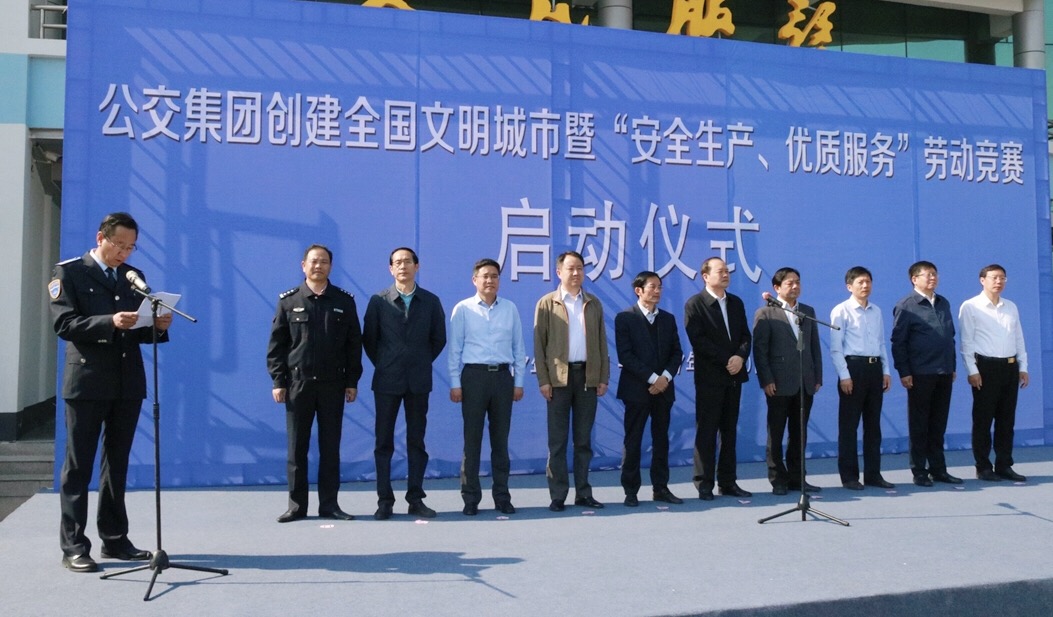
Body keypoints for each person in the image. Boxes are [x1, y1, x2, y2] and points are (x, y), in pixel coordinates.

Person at [49, 212, 172, 573]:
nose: (124, 253)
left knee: (116, 465)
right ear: (100, 237)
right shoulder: (69, 273)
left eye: (131, 247)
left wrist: (157, 326)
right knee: (78, 467)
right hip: (87, 383)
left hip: (126, 383)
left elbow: (138, 331)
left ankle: (115, 539)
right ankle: (74, 546)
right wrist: (110, 322)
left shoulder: (133, 278)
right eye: (119, 245)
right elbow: (64, 323)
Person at [267, 244, 363, 523]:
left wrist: (352, 381)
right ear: (303, 265)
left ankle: (330, 504)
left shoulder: (344, 301)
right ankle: (297, 506)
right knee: (297, 448)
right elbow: (277, 345)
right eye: (313, 261)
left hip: (333, 384)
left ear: (330, 266)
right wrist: (278, 380)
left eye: (323, 262)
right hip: (298, 384)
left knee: (330, 448)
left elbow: (353, 345)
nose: (318, 266)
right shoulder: (289, 301)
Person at [363, 247, 447, 519]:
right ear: (391, 269)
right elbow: (370, 340)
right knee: (383, 443)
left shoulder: (430, 301)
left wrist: (418, 361)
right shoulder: (378, 301)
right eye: (397, 262)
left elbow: (438, 339)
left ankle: (415, 499)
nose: (403, 266)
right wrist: (388, 362)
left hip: (418, 381)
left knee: (416, 442)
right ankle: (384, 501)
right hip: (386, 380)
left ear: (416, 266)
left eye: (407, 262)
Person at [447, 258, 526, 516]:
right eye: (485, 276)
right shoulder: (463, 309)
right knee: (472, 441)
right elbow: (454, 350)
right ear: (475, 280)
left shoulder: (510, 309)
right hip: (474, 378)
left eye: (494, 276)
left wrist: (518, 382)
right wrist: (455, 384)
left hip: (502, 378)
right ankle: (470, 498)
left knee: (500, 442)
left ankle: (502, 496)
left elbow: (519, 348)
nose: (490, 280)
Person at [534, 250, 610, 512]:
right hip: (558, 379)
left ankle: (583, 493)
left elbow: (602, 342)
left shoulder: (593, 303)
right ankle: (558, 495)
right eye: (570, 268)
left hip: (587, 377)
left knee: (583, 441)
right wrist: (544, 380)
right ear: (559, 272)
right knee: (557, 442)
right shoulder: (547, 303)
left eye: (580, 268)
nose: (576, 273)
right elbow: (539, 346)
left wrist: (602, 376)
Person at [683, 257, 752, 501]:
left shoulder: (735, 303)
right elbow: (698, 340)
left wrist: (740, 357)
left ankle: (728, 482)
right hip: (710, 377)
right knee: (707, 430)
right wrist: (727, 359)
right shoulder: (695, 304)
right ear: (705, 276)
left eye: (727, 271)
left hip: (734, 376)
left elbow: (745, 335)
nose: (725, 274)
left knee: (729, 431)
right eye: (720, 271)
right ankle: (704, 483)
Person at [615, 271, 685, 507]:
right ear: (639, 290)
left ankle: (661, 488)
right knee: (633, 440)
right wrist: (653, 378)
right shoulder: (625, 318)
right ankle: (631, 491)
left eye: (660, 287)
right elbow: (625, 355)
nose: (657, 291)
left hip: (664, 390)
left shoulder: (668, 319)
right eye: (652, 287)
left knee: (661, 440)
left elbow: (677, 352)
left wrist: (665, 378)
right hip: (636, 390)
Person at [890, 260, 962, 487]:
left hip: (944, 371)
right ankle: (919, 470)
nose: (932, 278)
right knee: (919, 424)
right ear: (914, 279)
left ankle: (938, 469)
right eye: (927, 274)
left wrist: (952, 366)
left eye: (935, 274)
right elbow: (898, 342)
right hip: (920, 373)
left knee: (938, 424)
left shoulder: (943, 302)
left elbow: (950, 337)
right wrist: (904, 371)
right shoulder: (906, 305)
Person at [753, 267, 823, 496]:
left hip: (805, 381)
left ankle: (798, 478)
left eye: (797, 282)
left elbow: (814, 347)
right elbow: (760, 351)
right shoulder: (766, 313)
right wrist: (766, 379)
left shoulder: (807, 312)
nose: (795, 286)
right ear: (777, 287)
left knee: (799, 433)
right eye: (790, 283)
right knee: (776, 433)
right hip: (778, 383)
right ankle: (777, 479)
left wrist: (817, 376)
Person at [959, 264, 1029, 482]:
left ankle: (1004, 464)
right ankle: (983, 466)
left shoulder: (1011, 307)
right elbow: (966, 342)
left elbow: (1018, 338)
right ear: (983, 280)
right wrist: (972, 370)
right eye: (994, 277)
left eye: (1002, 278)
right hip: (985, 368)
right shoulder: (971, 306)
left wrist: (1023, 367)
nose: (999, 282)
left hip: (1010, 367)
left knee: (1006, 420)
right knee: (983, 419)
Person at [829, 266, 894, 491]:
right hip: (853, 369)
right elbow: (836, 348)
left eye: (868, 281)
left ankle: (873, 474)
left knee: (873, 426)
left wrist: (886, 371)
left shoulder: (876, 311)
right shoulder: (841, 310)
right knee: (849, 426)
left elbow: (881, 342)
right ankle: (849, 477)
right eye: (860, 282)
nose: (865, 286)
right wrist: (844, 376)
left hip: (874, 368)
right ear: (849, 286)